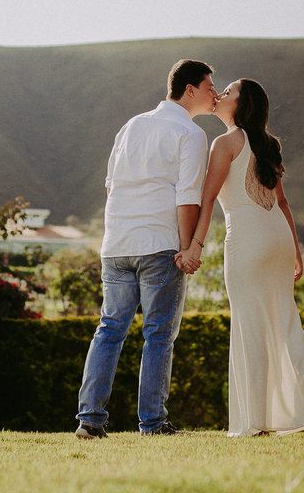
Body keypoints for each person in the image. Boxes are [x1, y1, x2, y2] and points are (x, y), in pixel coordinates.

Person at [177, 78, 304, 437]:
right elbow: (282, 202)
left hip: (248, 240)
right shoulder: (267, 145)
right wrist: (295, 251)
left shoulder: (225, 143)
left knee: (251, 329)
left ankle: (255, 423)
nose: (220, 94)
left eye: (229, 91)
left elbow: (207, 201)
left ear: (242, 105)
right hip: (277, 238)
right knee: (287, 325)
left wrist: (194, 247)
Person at [75, 59, 217, 438]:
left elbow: (111, 185)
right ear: (190, 89)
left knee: (109, 329)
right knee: (158, 334)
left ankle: (89, 420)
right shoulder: (190, 133)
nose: (214, 94)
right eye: (209, 87)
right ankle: (153, 423)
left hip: (116, 244)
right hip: (160, 246)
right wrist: (188, 249)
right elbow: (187, 199)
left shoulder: (131, 125)